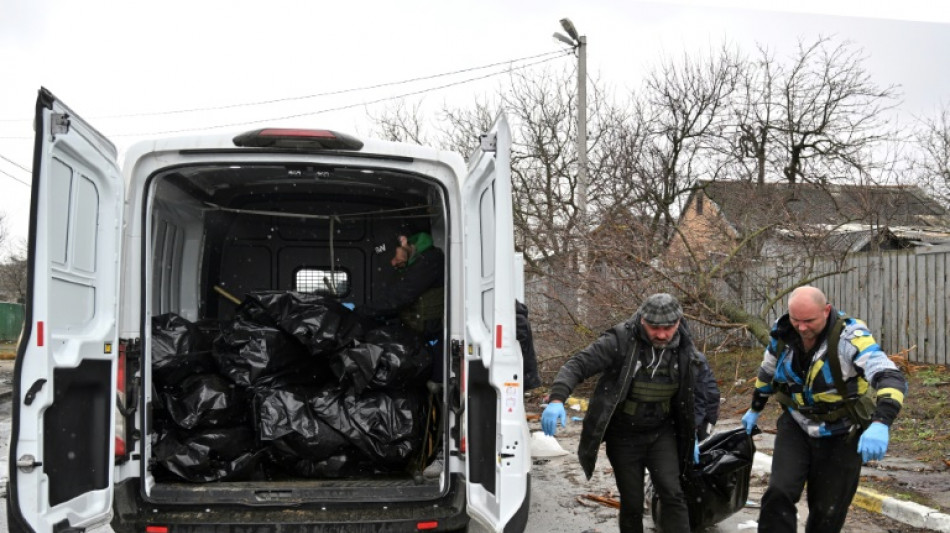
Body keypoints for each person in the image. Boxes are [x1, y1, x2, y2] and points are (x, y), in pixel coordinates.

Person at [740, 286, 908, 533]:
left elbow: (890, 376)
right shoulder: (784, 330)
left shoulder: (850, 338)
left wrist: (881, 422)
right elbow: (768, 369)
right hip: (796, 424)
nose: (802, 328)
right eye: (797, 320)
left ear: (826, 310)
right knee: (779, 492)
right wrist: (755, 407)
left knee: (827, 511)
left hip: (841, 433)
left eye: (809, 321)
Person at [541, 293, 710, 533]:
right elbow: (578, 364)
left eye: (668, 328)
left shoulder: (685, 347)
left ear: (679, 322)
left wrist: (695, 430)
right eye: (654, 328)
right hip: (624, 435)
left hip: (661, 433)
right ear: (642, 320)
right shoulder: (620, 340)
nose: (661, 335)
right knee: (632, 503)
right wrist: (557, 398)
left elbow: (698, 393)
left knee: (673, 494)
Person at [515, 299, 542, 391]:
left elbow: (521, 344)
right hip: (526, 371)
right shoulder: (520, 317)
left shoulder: (518, 319)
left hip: (525, 372)